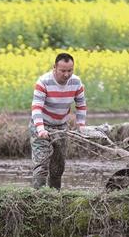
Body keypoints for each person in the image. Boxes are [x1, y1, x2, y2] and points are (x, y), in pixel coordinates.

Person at [30, 52, 87, 189]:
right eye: (63, 71)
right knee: (41, 166)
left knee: (58, 168)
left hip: (61, 127)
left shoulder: (76, 82)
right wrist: (41, 129)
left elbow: (81, 104)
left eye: (70, 70)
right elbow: (36, 107)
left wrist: (81, 125)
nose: (66, 74)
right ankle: (39, 199)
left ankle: (55, 198)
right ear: (54, 67)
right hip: (41, 126)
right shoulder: (43, 82)